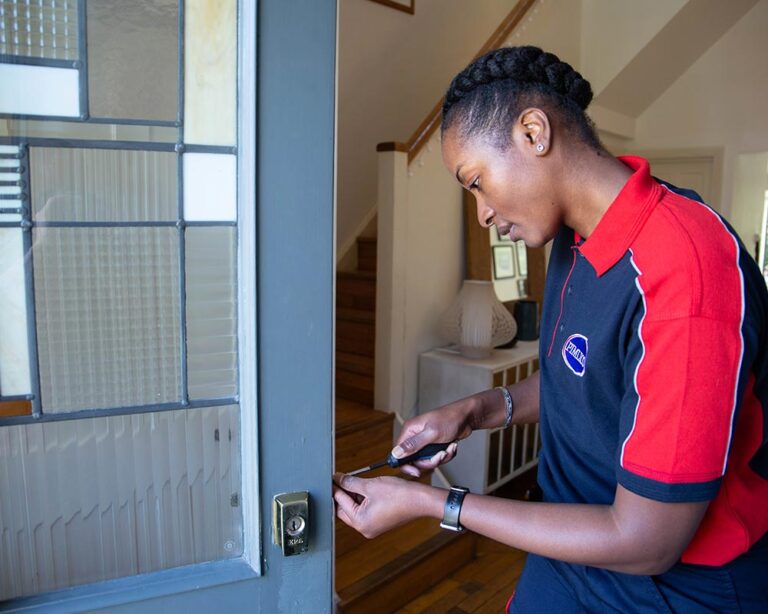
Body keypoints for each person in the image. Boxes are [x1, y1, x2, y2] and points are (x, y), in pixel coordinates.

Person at [333, 46, 768, 612]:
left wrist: (436, 505)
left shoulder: (688, 268)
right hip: (572, 546)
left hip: (674, 585)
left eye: (477, 182)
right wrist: (476, 411)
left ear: (534, 133)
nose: (483, 212)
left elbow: (646, 542)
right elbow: (584, 378)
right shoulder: (573, 239)